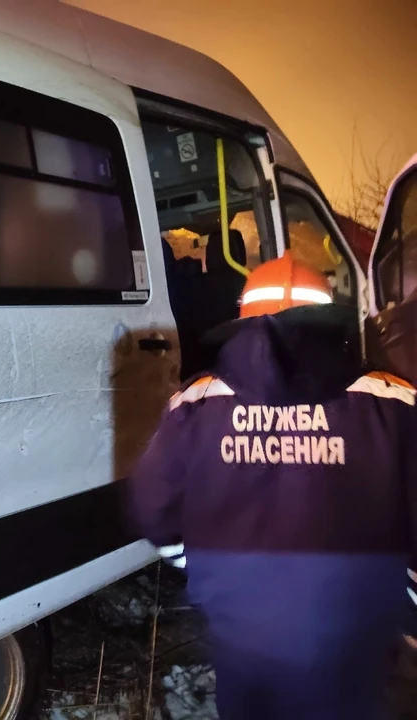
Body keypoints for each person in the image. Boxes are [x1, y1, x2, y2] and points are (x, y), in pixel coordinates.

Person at [127, 250, 417, 719]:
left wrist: (204, 566)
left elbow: (150, 508)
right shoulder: (393, 403)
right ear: (328, 318)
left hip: (244, 650)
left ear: (244, 321)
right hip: (357, 650)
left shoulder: (195, 404)